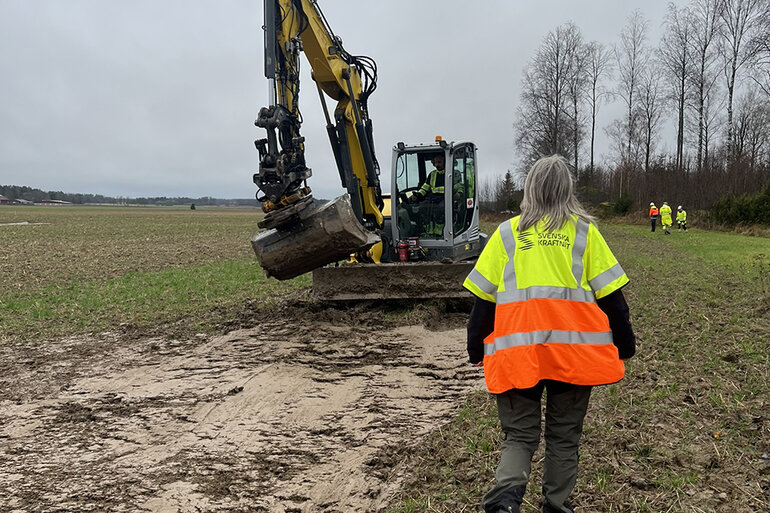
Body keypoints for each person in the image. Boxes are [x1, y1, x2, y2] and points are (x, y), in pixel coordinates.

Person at [463, 154, 635, 513]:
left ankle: (504, 503)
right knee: (563, 437)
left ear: (530, 189)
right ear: (567, 191)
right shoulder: (586, 234)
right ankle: (556, 506)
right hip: (572, 360)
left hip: (516, 358)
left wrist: (476, 347)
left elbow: (483, 303)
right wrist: (625, 344)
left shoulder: (506, 235)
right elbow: (613, 301)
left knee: (520, 437)